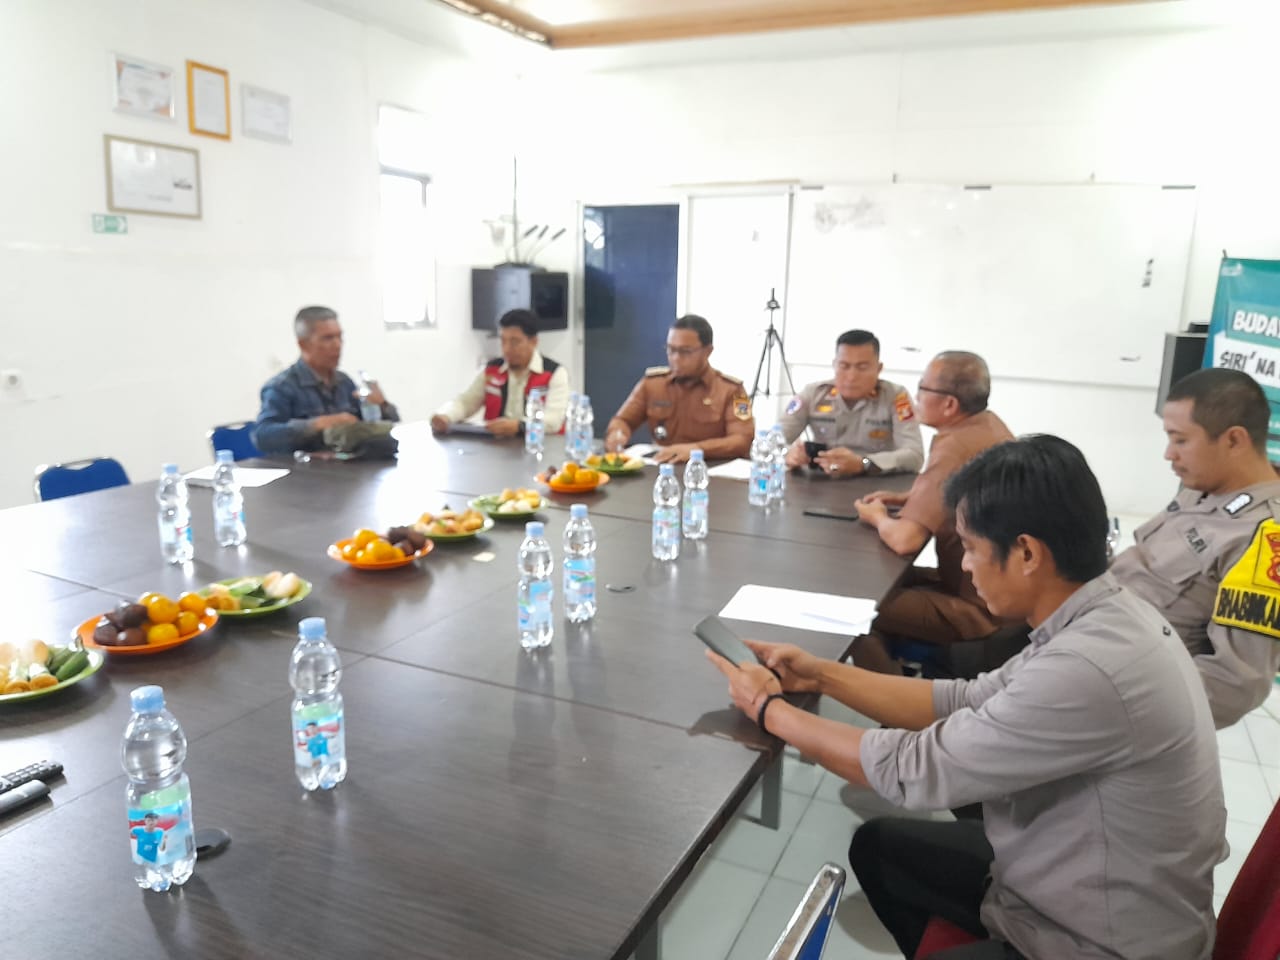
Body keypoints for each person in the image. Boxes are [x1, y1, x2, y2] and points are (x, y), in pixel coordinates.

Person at [707, 435, 1225, 960]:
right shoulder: (1102, 615)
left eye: (972, 548)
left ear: (1026, 553)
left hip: (1096, 941)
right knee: (881, 849)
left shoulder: (1089, 666)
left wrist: (769, 710)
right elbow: (966, 700)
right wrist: (821, 676)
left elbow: (913, 769)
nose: (968, 566)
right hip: (1059, 885)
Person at [1111, 367, 1280, 729]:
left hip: (1121, 687)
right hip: (1090, 631)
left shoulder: (1266, 537)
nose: (1168, 454)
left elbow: (1233, 685)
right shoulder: (1205, 486)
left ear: (1234, 440)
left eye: (1181, 440)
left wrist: (1113, 707)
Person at [852, 351, 1013, 672]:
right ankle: (900, 669)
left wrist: (877, 517)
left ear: (949, 404)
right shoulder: (987, 425)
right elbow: (955, 493)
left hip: (979, 609)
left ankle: (894, 697)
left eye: (922, 389)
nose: (916, 398)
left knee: (855, 604)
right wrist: (910, 498)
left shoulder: (954, 446)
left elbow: (906, 540)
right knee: (890, 579)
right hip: (992, 587)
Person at [604, 314, 754, 463]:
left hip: (711, 469)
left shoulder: (733, 390)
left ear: (708, 351)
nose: (675, 358)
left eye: (685, 351)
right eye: (671, 349)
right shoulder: (652, 384)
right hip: (663, 467)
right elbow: (623, 420)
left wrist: (697, 449)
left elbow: (742, 440)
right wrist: (617, 434)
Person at [252, 306, 399, 455]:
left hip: (347, 465)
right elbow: (262, 436)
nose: (338, 345)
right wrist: (315, 425)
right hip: (304, 468)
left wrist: (381, 405)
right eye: (328, 338)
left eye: (339, 337)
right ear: (303, 345)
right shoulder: (282, 387)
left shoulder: (344, 382)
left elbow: (386, 425)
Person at [779, 329, 923, 477]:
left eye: (862, 367)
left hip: (876, 482)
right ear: (834, 365)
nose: (852, 376)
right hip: (821, 482)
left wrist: (863, 463)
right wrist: (787, 454)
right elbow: (772, 441)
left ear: (879, 369)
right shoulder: (814, 394)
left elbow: (915, 455)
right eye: (844, 366)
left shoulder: (896, 396)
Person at [430, 309, 569, 437]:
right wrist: (446, 416)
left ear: (534, 342)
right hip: (496, 446)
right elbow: (466, 402)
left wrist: (519, 426)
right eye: (503, 341)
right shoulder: (492, 370)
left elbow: (553, 421)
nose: (507, 349)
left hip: (539, 446)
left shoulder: (554, 373)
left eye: (515, 342)